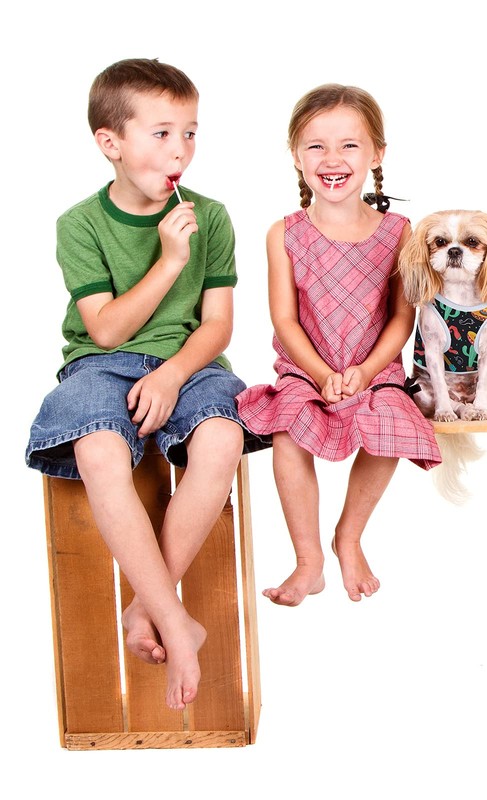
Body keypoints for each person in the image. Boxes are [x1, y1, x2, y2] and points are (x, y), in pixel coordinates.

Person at [25, 58, 269, 710]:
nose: (179, 149)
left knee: (222, 439)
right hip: (100, 365)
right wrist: (168, 260)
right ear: (111, 142)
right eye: (161, 133)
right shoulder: (79, 224)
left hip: (191, 363)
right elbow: (105, 329)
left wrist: (172, 373)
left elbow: (217, 325)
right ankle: (175, 621)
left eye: (189, 132)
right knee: (98, 449)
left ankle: (148, 606)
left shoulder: (210, 216)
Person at [236, 84, 441, 607]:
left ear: (377, 154)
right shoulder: (285, 234)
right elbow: (284, 318)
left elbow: (402, 315)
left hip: (376, 371)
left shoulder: (399, 232)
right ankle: (308, 559)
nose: (332, 159)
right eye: (316, 146)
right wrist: (321, 373)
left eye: (349, 145)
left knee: (392, 425)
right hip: (306, 370)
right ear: (296, 155)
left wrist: (367, 371)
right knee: (288, 433)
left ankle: (348, 536)